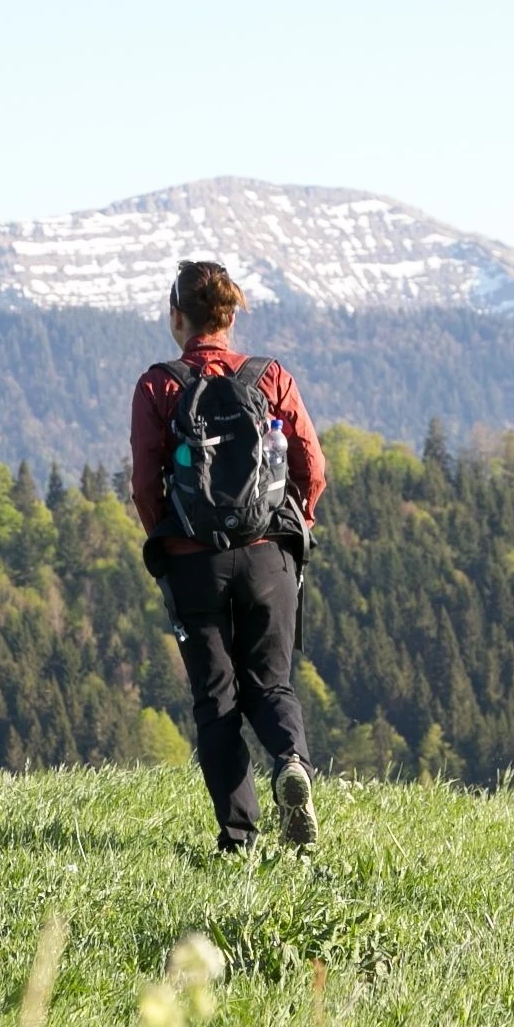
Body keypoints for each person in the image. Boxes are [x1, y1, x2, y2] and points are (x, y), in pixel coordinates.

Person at [130, 260, 328, 851]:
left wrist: (167, 542)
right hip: (268, 553)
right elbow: (312, 464)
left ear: (177, 317)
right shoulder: (270, 377)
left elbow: (145, 483)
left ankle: (239, 838)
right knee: (271, 684)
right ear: (231, 315)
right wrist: (296, 527)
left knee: (216, 700)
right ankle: (291, 761)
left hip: (194, 561)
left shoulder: (157, 385)